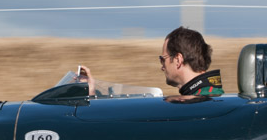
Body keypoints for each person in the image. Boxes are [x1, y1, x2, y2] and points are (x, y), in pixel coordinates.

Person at [79, 26, 224, 96]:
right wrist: (93, 93)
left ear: (178, 60)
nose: (162, 67)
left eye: (163, 59)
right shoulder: (201, 95)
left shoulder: (205, 99)